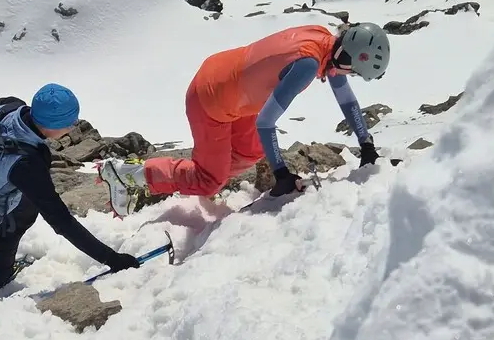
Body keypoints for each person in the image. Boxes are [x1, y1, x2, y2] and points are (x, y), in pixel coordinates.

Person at [97, 22, 391, 216]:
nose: (349, 77)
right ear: (347, 57)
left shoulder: (325, 41)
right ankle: (127, 173)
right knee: (209, 181)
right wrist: (282, 176)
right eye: (353, 71)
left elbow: (345, 97)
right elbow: (266, 123)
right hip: (210, 98)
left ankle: (205, 168)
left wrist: (366, 142)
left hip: (228, 79)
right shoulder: (307, 65)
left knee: (252, 150)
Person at [0, 83, 140, 304]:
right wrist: (111, 259)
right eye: (69, 122)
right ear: (53, 126)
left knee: (23, 212)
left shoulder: (10, 106)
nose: (72, 127)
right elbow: (61, 221)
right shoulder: (27, 162)